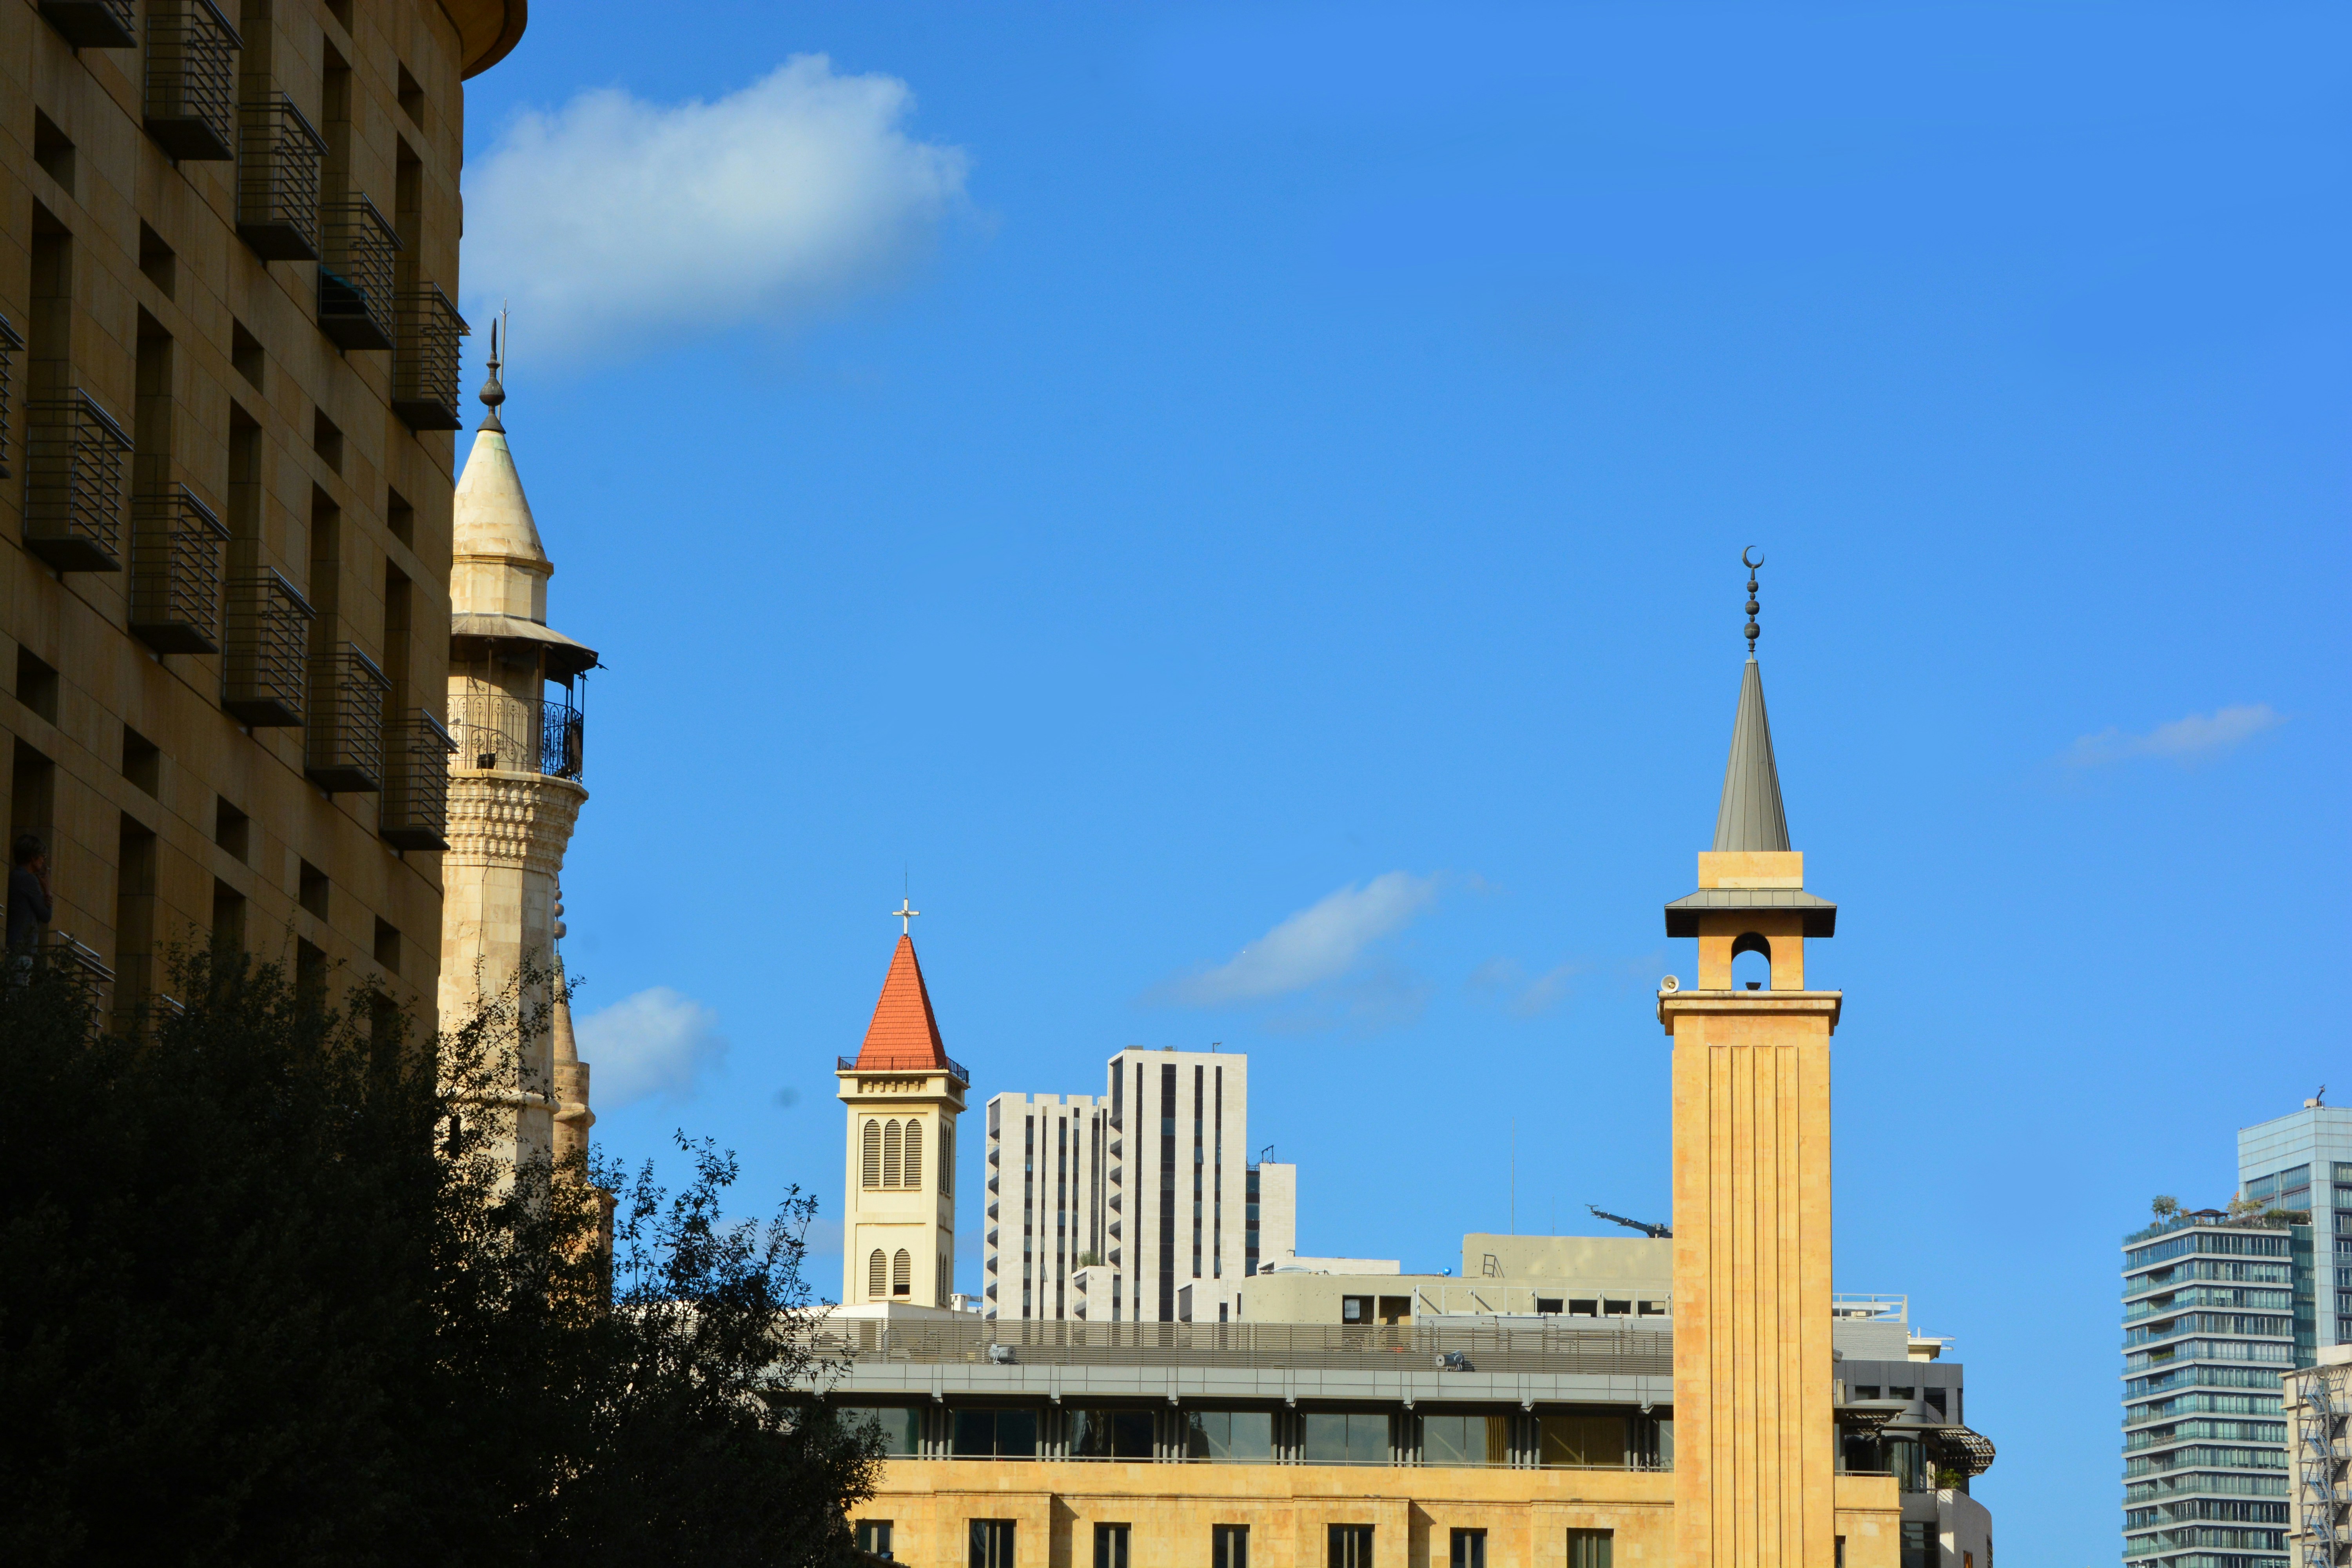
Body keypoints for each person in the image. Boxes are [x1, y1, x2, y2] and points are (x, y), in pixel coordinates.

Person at [10, 833, 53, 979]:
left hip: (13, 944)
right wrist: (47, 888)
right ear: (33, 857)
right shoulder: (29, 880)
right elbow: (46, 915)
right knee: (18, 994)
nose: (43, 861)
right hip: (22, 948)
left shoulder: (15, 876)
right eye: (43, 857)